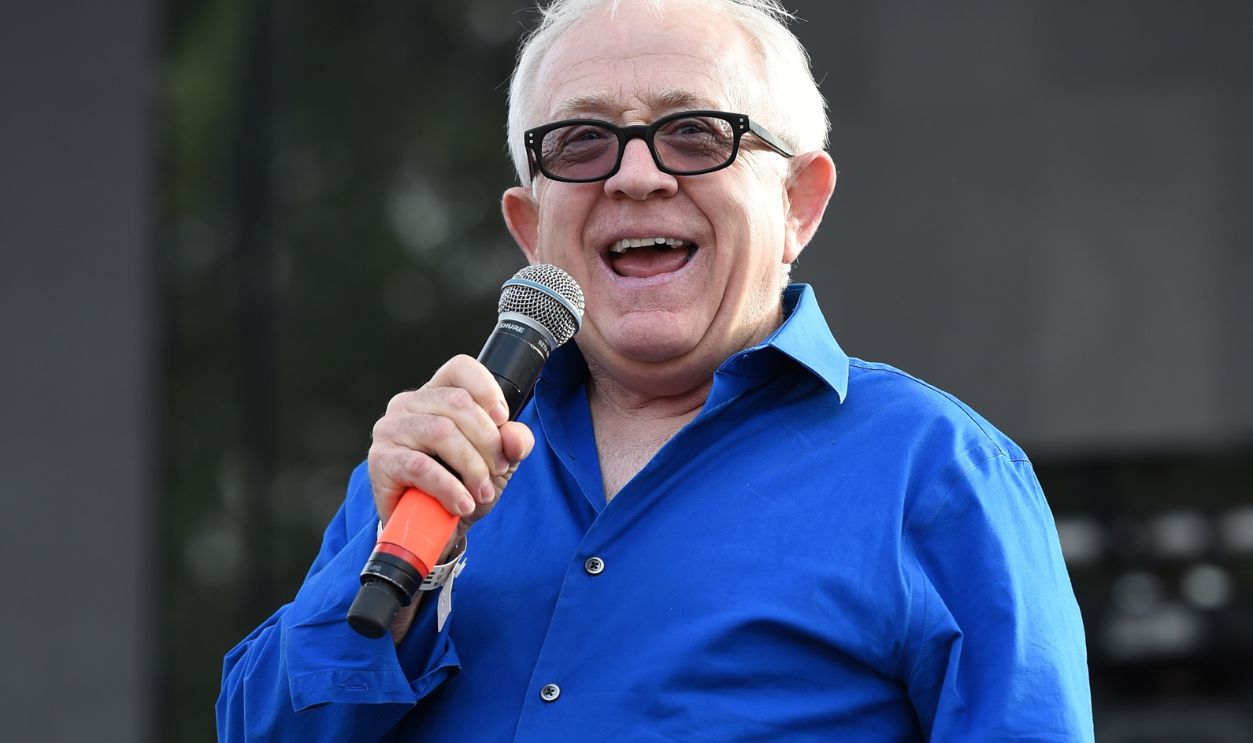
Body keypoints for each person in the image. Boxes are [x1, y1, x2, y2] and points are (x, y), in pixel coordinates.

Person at [217, 0, 1094, 739]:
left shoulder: (936, 471)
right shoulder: (435, 466)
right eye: (580, 141)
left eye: (693, 133)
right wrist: (402, 587)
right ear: (529, 227)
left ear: (798, 203)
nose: (635, 176)